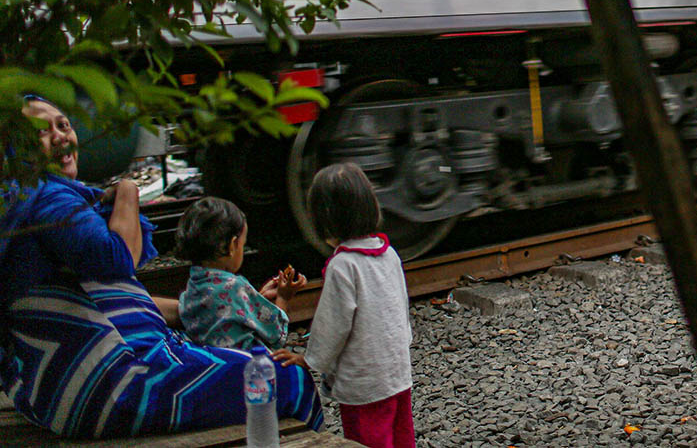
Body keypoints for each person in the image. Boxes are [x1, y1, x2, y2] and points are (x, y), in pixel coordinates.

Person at [0, 97, 323, 438]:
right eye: (41, 132)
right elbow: (116, 258)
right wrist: (127, 190)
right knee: (288, 378)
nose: (60, 136)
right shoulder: (49, 199)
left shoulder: (22, 202)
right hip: (117, 385)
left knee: (244, 359)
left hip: (67, 388)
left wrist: (217, 309)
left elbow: (106, 298)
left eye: (63, 125)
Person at [275, 163, 415, 448]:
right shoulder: (389, 254)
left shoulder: (343, 266)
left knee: (368, 441)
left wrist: (310, 359)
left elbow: (332, 325)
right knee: (401, 437)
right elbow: (400, 307)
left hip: (364, 383)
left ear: (325, 219)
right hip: (397, 373)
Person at [176, 196, 305, 351]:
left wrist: (257, 296)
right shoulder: (235, 286)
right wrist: (283, 297)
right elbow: (276, 335)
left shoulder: (193, 285)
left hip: (211, 364)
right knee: (298, 373)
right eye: (242, 245)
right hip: (245, 367)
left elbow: (227, 310)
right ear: (232, 246)